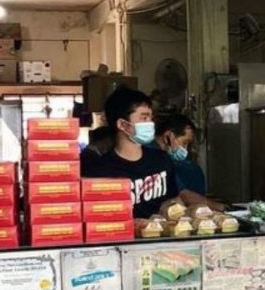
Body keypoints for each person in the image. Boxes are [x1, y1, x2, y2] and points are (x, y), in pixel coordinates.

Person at [82, 88, 207, 218]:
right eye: (144, 118)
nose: (150, 124)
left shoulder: (162, 160)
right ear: (122, 125)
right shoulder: (101, 171)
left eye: (150, 118)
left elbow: (175, 200)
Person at [152, 115, 207, 195]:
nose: (186, 149)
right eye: (185, 143)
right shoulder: (154, 160)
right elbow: (184, 195)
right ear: (168, 137)